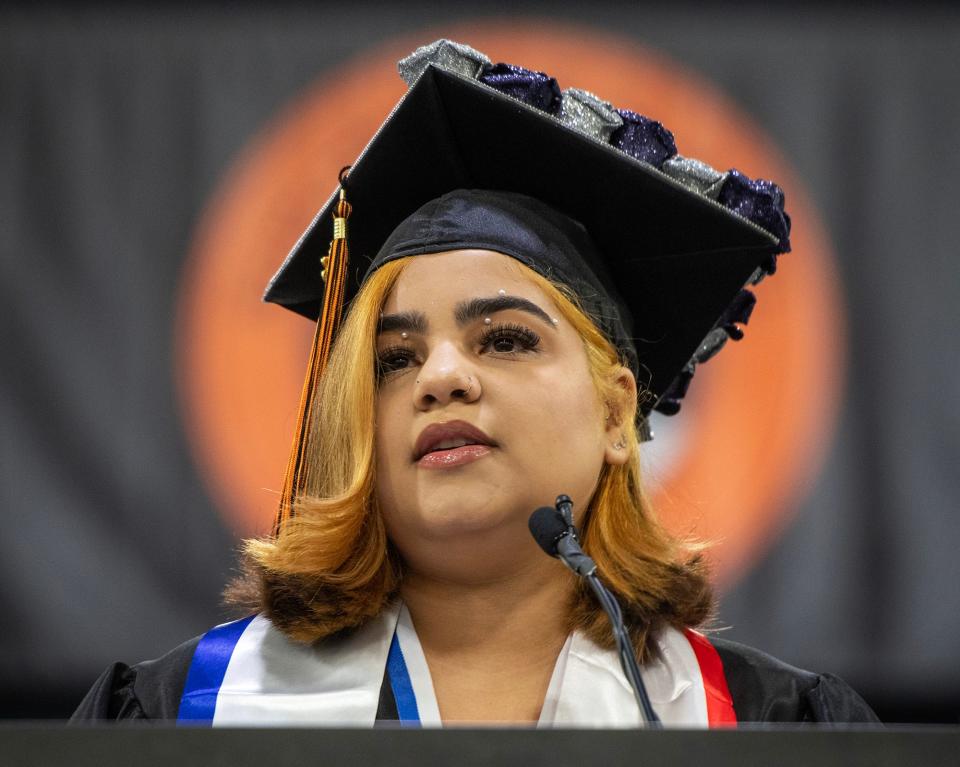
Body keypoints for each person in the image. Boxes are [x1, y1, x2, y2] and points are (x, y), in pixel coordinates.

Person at [72, 40, 878, 726]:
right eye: (393, 359)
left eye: (505, 338)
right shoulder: (185, 714)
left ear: (615, 411)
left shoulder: (768, 725)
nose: (442, 377)